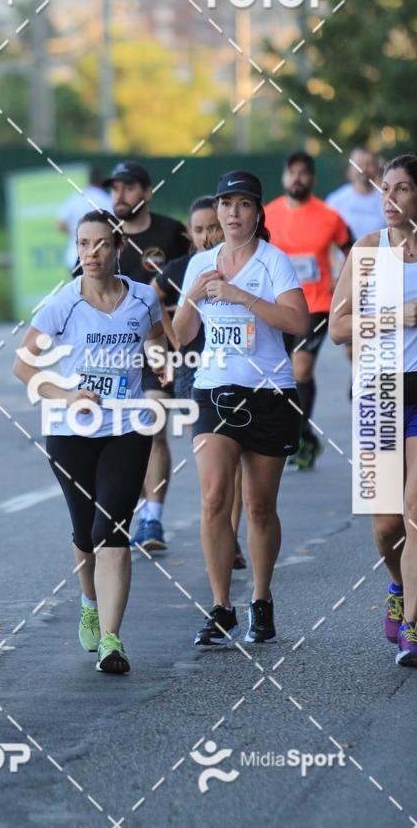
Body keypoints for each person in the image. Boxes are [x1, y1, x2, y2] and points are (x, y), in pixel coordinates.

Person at [14, 210, 167, 674]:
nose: (91, 252)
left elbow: (155, 337)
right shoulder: (63, 302)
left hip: (128, 426)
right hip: (70, 432)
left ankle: (111, 640)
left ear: (118, 246)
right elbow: (23, 365)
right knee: (85, 534)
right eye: (83, 244)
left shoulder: (143, 297)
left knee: (111, 530)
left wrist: (159, 363)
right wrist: (67, 395)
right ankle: (89, 602)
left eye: (100, 243)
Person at [173, 171, 308, 646]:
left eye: (243, 204)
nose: (233, 213)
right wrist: (193, 296)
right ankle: (221, 606)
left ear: (257, 212)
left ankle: (261, 600)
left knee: (259, 506)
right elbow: (182, 335)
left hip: (270, 394)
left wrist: (241, 297)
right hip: (214, 391)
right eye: (226, 203)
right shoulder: (200, 264)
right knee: (213, 498)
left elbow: (299, 321)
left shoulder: (274, 262)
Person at [329, 153, 417, 667]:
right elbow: (337, 328)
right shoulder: (367, 249)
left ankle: (413, 627)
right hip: (379, 394)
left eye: (401, 188)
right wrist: (396, 316)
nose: (389, 197)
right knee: (387, 526)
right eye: (385, 188)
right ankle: (397, 584)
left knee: (415, 514)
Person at [152, 196, 247, 570]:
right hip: (194, 371)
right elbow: (149, 299)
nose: (207, 236)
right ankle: (223, 532)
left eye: (213, 227)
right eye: (199, 229)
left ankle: (231, 535)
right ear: (189, 234)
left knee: (236, 462)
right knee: (215, 462)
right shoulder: (181, 268)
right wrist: (173, 338)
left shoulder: (242, 263)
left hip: (236, 369)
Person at [104, 161, 189, 552]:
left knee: (152, 426)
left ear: (147, 192)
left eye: (129, 187)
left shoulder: (172, 232)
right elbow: (81, 287)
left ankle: (153, 519)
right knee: (124, 438)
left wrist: (179, 312)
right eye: (115, 188)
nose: (120, 195)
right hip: (112, 354)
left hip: (158, 347)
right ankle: (138, 507)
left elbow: (198, 269)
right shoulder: (104, 235)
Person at [265, 151, 352, 470]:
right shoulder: (268, 214)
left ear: (312, 178)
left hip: (316, 304)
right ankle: (304, 434)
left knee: (301, 369)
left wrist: (344, 281)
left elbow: (353, 250)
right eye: (292, 172)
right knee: (281, 372)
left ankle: (297, 437)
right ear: (284, 176)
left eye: (303, 173)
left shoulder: (329, 216)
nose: (297, 178)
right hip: (277, 304)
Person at [58, 166, 112, 273]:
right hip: (101, 257)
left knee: (76, 283)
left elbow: (60, 225)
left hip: (75, 255)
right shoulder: (107, 200)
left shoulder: (75, 198)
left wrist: (77, 234)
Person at [326, 148, 386, 241]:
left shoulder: (388, 200)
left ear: (376, 168)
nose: (364, 169)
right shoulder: (335, 201)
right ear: (350, 169)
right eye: (359, 165)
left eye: (369, 164)